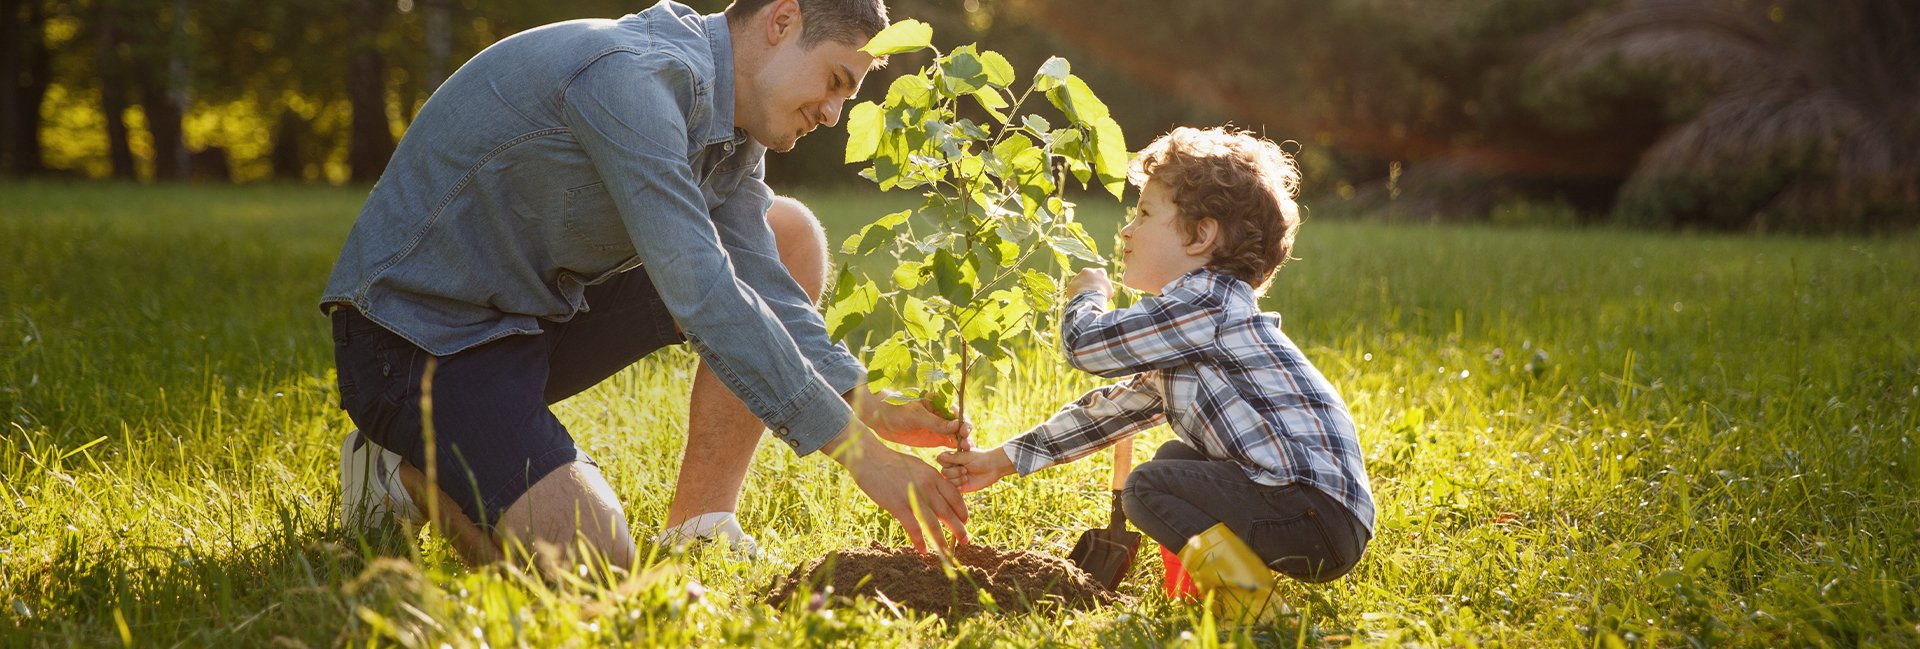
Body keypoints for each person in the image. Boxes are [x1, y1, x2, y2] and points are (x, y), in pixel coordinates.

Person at [323, 0, 970, 572]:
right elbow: (703, 290)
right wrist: (862, 455)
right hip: (416, 342)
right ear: (782, 20)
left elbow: (762, 278)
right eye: (835, 82)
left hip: (531, 318)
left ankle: (700, 527)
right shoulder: (633, 78)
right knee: (595, 565)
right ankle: (398, 472)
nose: (833, 113)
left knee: (786, 233)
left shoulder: (732, 131)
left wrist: (863, 400)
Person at [936, 126, 1373, 618]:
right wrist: (1001, 460)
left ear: (1201, 235)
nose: (1126, 230)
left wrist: (1087, 296)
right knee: (1173, 459)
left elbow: (1086, 347)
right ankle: (1213, 597)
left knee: (1149, 486)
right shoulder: (1197, 329)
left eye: (1143, 214)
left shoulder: (1206, 302)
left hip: (1309, 512)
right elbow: (1109, 414)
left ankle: (1257, 612)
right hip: (1321, 516)